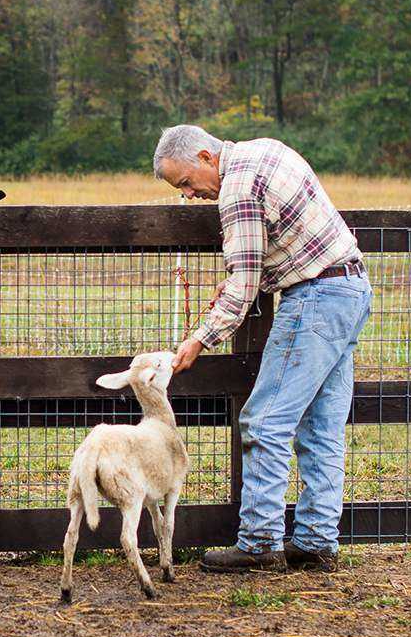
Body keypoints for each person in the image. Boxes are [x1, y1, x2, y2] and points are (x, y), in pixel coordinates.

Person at [153, 125, 372, 573]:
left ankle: (259, 542)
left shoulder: (236, 188)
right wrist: (244, 282)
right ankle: (315, 540)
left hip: (315, 299)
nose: (191, 195)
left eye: (187, 183)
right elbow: (277, 251)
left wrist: (199, 338)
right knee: (321, 427)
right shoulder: (264, 151)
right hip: (350, 288)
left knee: (265, 421)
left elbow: (245, 278)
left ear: (204, 156)